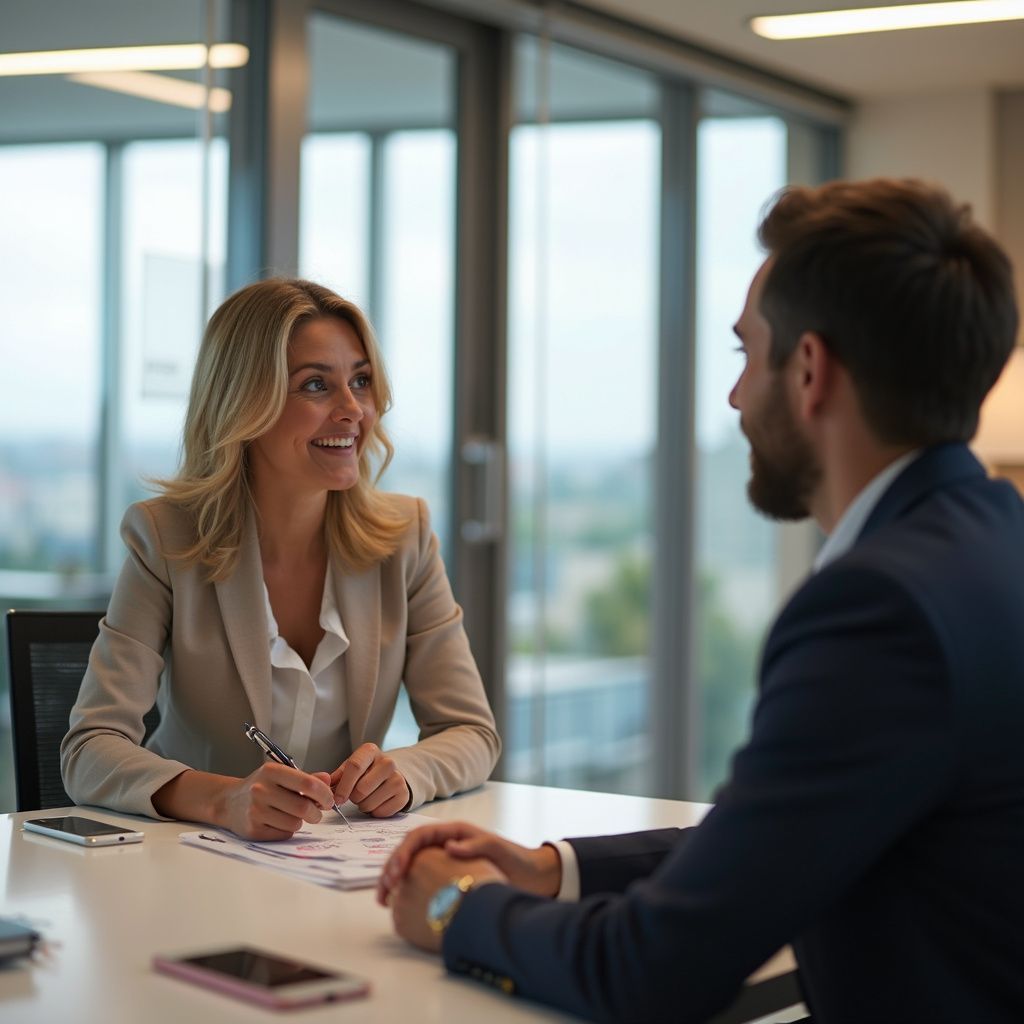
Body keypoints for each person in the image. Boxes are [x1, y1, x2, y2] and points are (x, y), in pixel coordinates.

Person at [378, 179, 1024, 1023]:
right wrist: (551, 868)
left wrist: (454, 908)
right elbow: (788, 836)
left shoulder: (880, 607)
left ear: (810, 370)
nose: (733, 399)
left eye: (743, 354)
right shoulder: (995, 538)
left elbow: (648, 971)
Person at [61, 278, 500, 840]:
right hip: (189, 864)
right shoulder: (166, 540)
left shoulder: (403, 539)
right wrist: (225, 800)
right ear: (244, 403)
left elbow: (472, 731)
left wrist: (406, 774)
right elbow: (89, 750)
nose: (353, 411)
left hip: (334, 861)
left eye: (360, 381)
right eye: (316, 385)